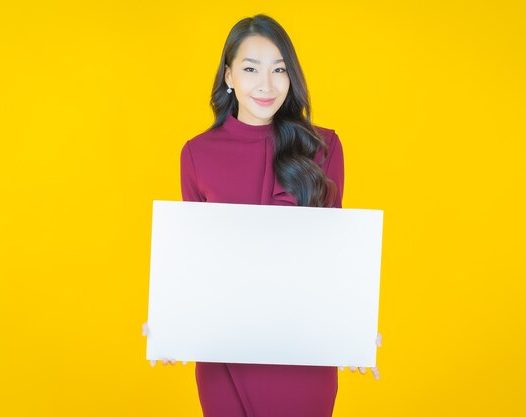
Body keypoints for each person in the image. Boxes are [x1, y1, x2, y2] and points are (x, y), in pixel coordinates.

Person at [142, 14, 382, 417]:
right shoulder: (196, 153)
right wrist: (170, 319)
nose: (266, 85)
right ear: (229, 76)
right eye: (251, 69)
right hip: (224, 352)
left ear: (292, 77)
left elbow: (334, 252)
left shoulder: (323, 147)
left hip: (303, 350)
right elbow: (193, 257)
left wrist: (352, 327)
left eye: (279, 70)